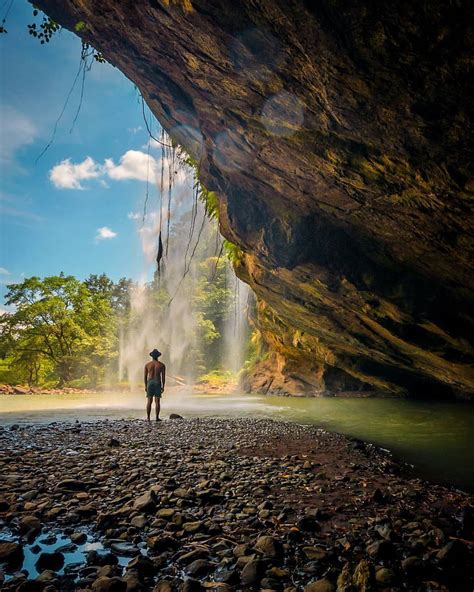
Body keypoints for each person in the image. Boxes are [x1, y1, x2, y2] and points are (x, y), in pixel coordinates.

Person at [144, 349, 166, 421]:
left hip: (150, 382)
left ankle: (148, 417)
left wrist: (145, 385)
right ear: (158, 356)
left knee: (149, 401)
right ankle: (157, 417)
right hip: (157, 382)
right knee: (157, 401)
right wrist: (163, 386)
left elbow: (145, 377)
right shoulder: (161, 365)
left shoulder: (147, 365)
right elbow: (163, 377)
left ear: (152, 356)